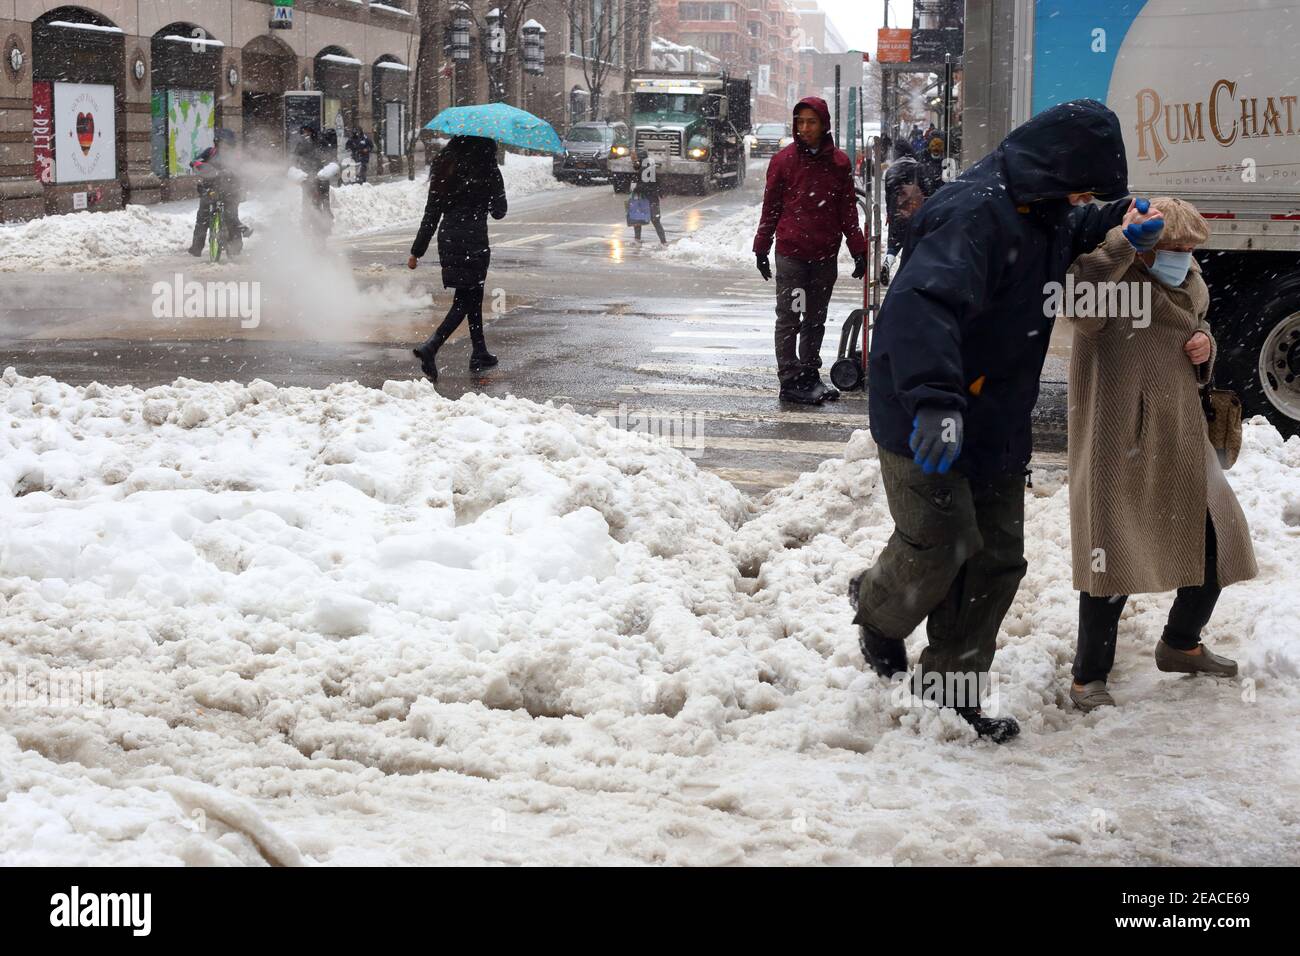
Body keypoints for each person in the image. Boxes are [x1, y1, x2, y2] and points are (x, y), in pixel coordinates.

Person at [848, 99, 1138, 743]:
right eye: (1083, 185)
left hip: (996, 417)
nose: (1082, 198)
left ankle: (950, 684)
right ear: (1059, 166)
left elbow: (1066, 229)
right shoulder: (975, 213)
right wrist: (934, 403)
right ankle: (875, 608)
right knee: (941, 544)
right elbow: (922, 310)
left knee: (998, 558)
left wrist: (1117, 219)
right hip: (926, 412)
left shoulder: (1043, 207)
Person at [1063, 196, 1258, 711]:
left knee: (1218, 537)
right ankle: (1089, 678)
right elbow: (1076, 304)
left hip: (1181, 430)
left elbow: (1198, 326)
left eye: (1191, 248)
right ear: (1148, 248)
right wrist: (1120, 243)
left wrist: (1205, 346)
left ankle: (1180, 643)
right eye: (1174, 246)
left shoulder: (1190, 278)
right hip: (1118, 435)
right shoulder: (1112, 282)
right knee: (1113, 551)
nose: (1185, 256)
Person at [753, 96, 867, 406]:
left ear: (824, 124)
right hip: (793, 257)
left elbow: (847, 210)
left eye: (811, 122)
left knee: (816, 318)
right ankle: (790, 379)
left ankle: (808, 373)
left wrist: (858, 248)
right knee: (791, 316)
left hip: (824, 256)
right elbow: (771, 208)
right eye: (800, 122)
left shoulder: (838, 163)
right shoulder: (784, 161)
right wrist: (761, 248)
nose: (804, 128)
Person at [407, 135, 507, 381]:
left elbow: (431, 212)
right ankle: (431, 346)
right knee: (465, 298)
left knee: (471, 294)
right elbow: (499, 211)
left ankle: (479, 350)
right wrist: (493, 189)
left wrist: (416, 250)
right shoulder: (486, 165)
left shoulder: (445, 164)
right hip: (474, 240)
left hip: (449, 238)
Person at [188, 129, 250, 257]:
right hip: (210, 189)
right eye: (222, 142)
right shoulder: (210, 152)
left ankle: (235, 247)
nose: (224, 146)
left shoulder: (236, 156)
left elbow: (243, 170)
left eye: (227, 143)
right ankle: (196, 247)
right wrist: (205, 168)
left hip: (230, 191)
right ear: (217, 142)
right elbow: (196, 161)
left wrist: (231, 173)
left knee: (231, 216)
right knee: (202, 218)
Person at [293, 123, 336, 237]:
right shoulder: (301, 145)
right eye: (304, 132)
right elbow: (294, 159)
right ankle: (306, 223)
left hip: (320, 177)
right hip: (307, 178)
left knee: (325, 201)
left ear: (312, 132)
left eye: (308, 131)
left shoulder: (321, 142)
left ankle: (327, 221)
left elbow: (329, 158)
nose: (306, 134)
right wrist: (296, 170)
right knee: (306, 201)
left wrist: (325, 168)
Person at [629, 149, 666, 245]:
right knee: (646, 219)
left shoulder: (645, 169)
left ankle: (663, 241)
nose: (634, 162)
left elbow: (646, 185)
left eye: (636, 160)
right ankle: (662, 241)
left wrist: (636, 188)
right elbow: (656, 182)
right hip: (649, 197)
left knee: (650, 219)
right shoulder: (647, 167)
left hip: (647, 198)